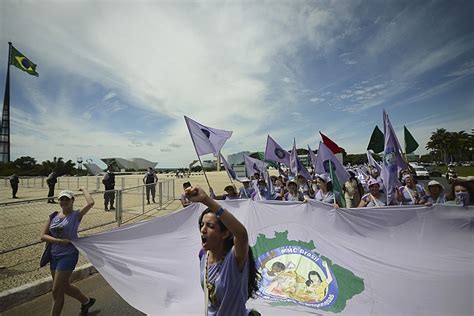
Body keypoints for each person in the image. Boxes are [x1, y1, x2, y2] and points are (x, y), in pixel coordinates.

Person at [186, 186, 259, 315]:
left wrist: (207, 200)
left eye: (210, 226)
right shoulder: (203, 255)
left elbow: (241, 235)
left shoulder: (235, 259)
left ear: (225, 234)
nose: (203, 230)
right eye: (202, 225)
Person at [40, 188, 96, 316]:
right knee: (63, 286)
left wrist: (84, 189)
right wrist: (59, 241)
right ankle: (86, 301)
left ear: (72, 201)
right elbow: (42, 236)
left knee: (56, 291)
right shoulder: (53, 216)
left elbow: (91, 203)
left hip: (68, 255)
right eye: (62, 199)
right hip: (54, 255)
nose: (64, 201)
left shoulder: (76, 215)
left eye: (67, 199)